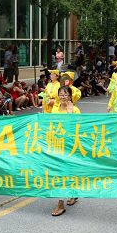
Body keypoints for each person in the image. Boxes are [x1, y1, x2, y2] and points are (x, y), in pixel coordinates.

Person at [51, 86, 81, 216]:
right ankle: (68, 196)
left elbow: (79, 127)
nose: (63, 97)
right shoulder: (55, 108)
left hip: (69, 146)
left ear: (70, 96)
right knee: (60, 172)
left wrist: (70, 114)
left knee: (66, 171)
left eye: (65, 95)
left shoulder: (75, 109)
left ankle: (61, 203)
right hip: (56, 144)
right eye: (61, 94)